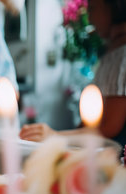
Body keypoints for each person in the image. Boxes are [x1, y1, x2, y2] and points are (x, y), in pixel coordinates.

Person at [19, 0, 126, 147]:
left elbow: (109, 128)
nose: (89, 18)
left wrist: (55, 136)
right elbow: (91, 123)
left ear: (116, 8)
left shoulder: (122, 57)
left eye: (93, 9)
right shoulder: (114, 54)